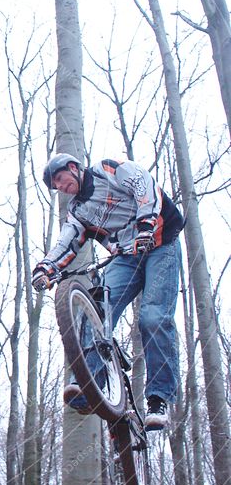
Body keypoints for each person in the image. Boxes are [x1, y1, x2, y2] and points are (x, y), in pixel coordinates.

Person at [32, 153, 184, 431]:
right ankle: (89, 385)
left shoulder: (107, 170)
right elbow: (67, 241)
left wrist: (145, 224)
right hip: (126, 257)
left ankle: (158, 398)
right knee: (96, 311)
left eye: (60, 179)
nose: (60, 187)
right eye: (55, 186)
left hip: (161, 243)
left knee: (152, 316)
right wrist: (46, 268)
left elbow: (143, 185)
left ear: (74, 168)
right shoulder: (78, 211)